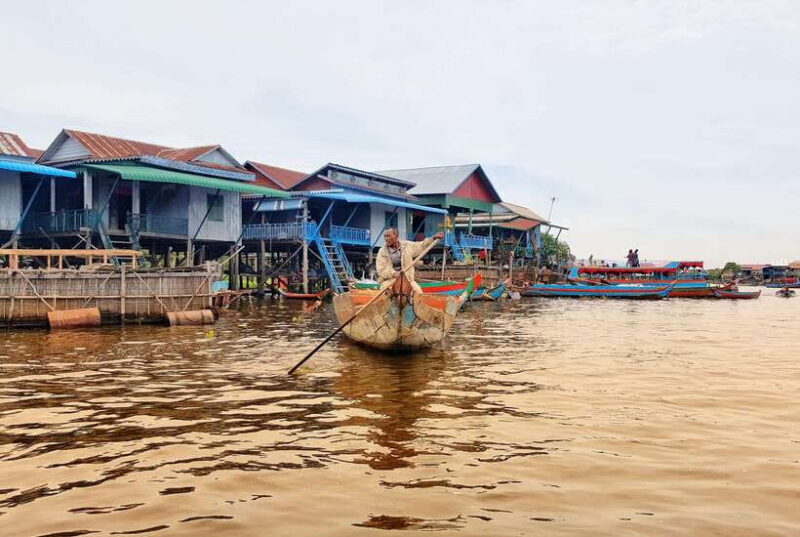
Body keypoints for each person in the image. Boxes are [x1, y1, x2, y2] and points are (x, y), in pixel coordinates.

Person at [376, 228, 444, 292]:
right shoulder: (382, 252)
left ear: (396, 236)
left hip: (408, 280)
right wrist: (394, 273)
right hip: (390, 280)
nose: (386, 239)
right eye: (385, 236)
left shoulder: (406, 245)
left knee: (418, 292)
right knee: (386, 292)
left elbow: (421, 246)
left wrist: (433, 238)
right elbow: (382, 269)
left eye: (388, 236)